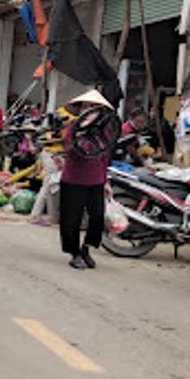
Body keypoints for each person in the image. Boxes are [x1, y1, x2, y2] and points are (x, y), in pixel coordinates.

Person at [60, 90, 114, 270]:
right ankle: (74, 252)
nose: (89, 110)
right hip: (74, 179)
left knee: (97, 217)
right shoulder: (72, 128)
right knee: (71, 219)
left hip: (96, 179)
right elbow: (71, 152)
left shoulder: (104, 132)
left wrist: (106, 181)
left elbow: (105, 157)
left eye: (93, 108)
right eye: (85, 107)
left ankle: (86, 248)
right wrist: (82, 133)